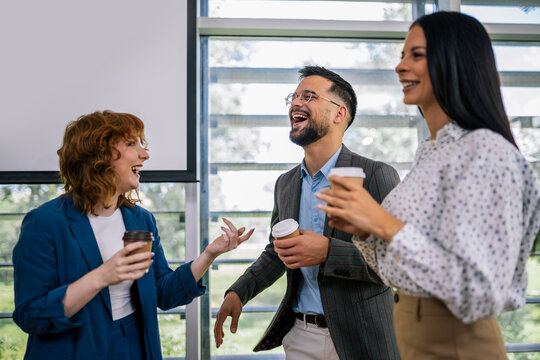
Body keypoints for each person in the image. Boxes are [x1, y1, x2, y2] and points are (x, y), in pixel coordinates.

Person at [315, 11, 540, 360]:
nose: (400, 66)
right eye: (402, 55)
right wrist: (364, 232)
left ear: (457, 61)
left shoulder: (487, 153)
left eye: (416, 55)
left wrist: (382, 223)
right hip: (409, 330)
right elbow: (408, 265)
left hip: (454, 340)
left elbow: (481, 291)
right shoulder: (431, 152)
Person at [12, 111, 254, 360]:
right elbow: (31, 315)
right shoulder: (44, 223)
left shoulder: (141, 219)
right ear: (98, 155)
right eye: (131, 143)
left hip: (134, 347)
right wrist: (101, 276)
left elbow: (162, 292)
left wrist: (208, 254)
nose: (145, 154)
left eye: (141, 144)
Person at [214, 66, 401, 359]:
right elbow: (277, 253)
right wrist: (238, 292)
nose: (295, 104)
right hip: (301, 337)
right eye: (294, 97)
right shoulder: (286, 184)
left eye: (309, 96)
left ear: (339, 113)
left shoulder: (376, 175)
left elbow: (397, 261)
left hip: (363, 338)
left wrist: (328, 251)